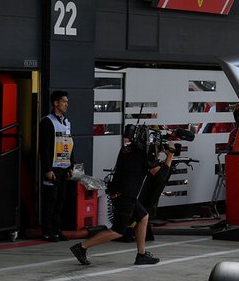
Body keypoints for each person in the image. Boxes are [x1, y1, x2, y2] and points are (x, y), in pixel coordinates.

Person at [69, 124, 163, 265]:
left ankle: (141, 254)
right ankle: (82, 247)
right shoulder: (143, 154)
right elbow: (160, 175)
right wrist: (169, 155)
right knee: (118, 231)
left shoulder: (126, 150)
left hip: (121, 192)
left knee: (143, 216)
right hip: (125, 195)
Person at [39, 90, 75, 241]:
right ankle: (47, 231)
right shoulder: (47, 122)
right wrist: (47, 169)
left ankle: (56, 229)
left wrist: (71, 166)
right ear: (56, 103)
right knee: (50, 200)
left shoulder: (66, 122)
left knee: (60, 200)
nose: (67, 104)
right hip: (52, 169)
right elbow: (43, 148)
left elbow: (70, 144)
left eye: (67, 101)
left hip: (64, 167)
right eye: (64, 101)